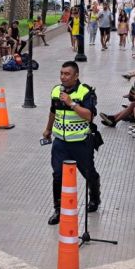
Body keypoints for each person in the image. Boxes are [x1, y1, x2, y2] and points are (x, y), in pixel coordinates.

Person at [42, 61, 101, 225]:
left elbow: (89, 116)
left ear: (76, 76)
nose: (63, 77)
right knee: (57, 176)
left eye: (67, 74)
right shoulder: (56, 90)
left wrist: (71, 103)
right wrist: (48, 129)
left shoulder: (85, 92)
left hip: (81, 142)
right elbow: (53, 112)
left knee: (88, 173)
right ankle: (58, 210)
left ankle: (95, 198)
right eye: (61, 73)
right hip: (60, 142)